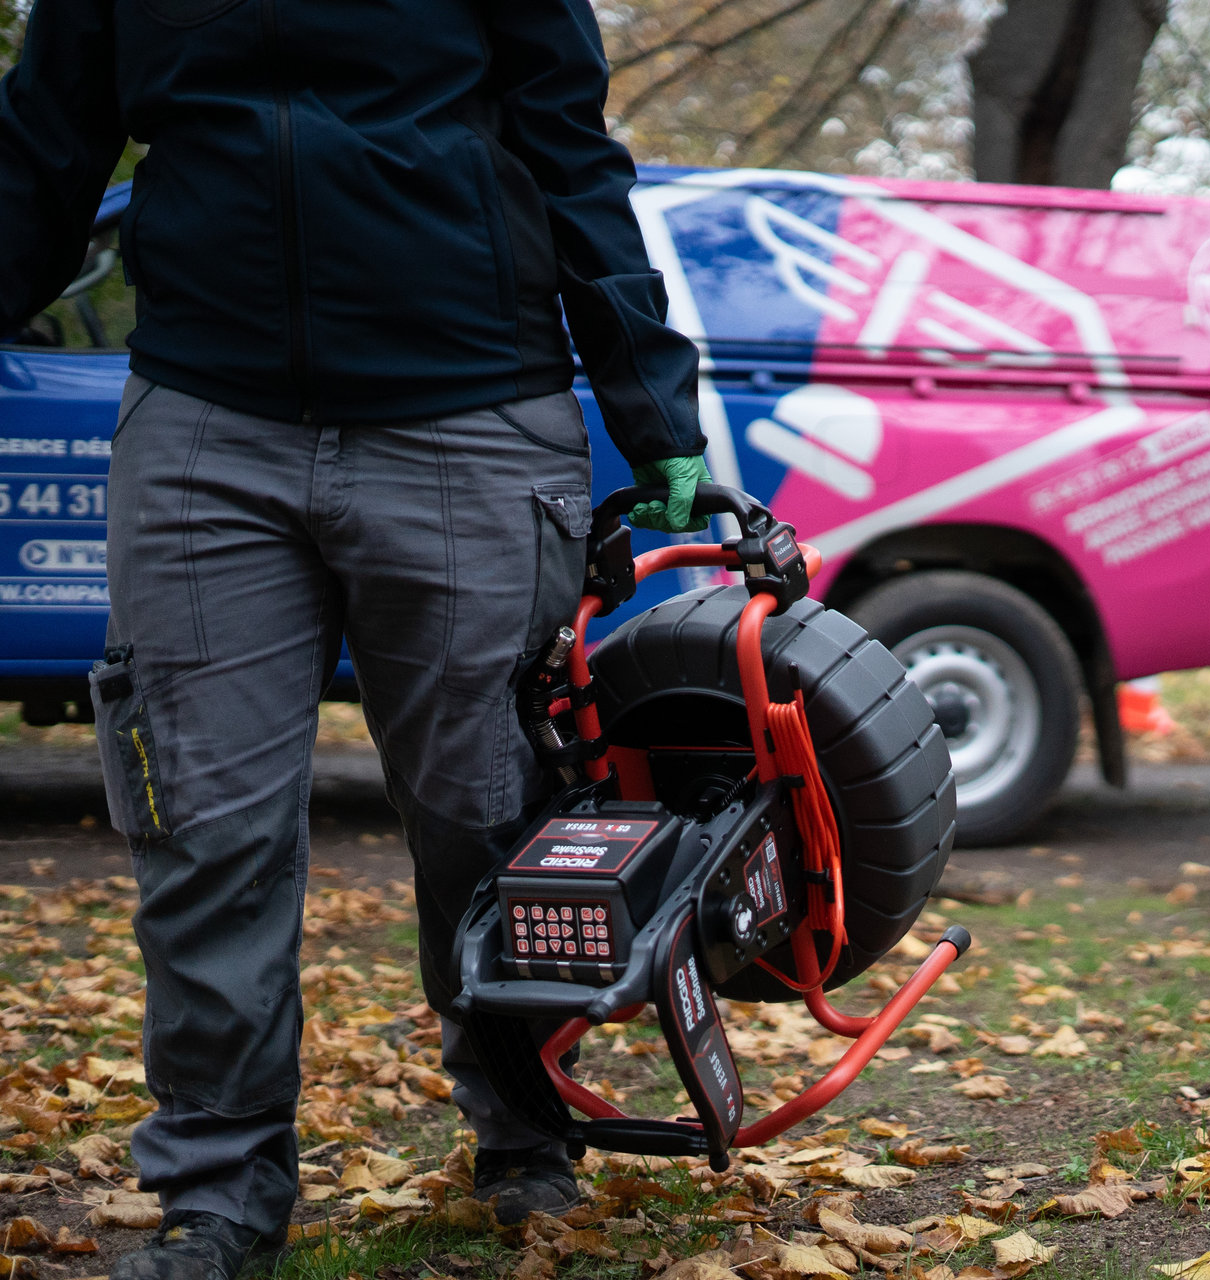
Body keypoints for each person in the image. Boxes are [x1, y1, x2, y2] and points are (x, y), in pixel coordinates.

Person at [0, 1, 714, 1274]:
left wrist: (654, 408)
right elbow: (43, 150)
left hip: (471, 413)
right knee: (204, 822)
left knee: (487, 815)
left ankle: (523, 1137)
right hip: (206, 423)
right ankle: (217, 1195)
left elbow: (568, 146)